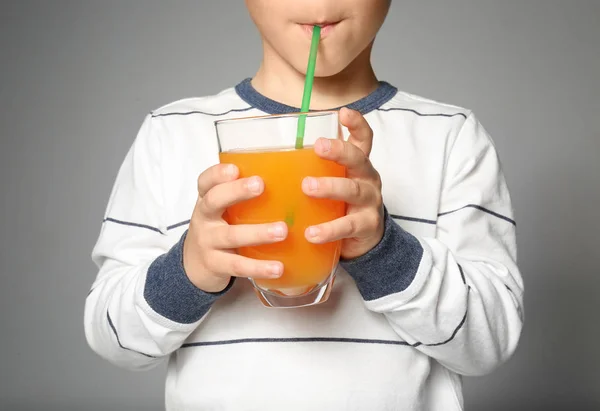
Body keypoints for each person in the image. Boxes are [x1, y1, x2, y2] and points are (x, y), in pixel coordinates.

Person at [84, 0, 524, 409]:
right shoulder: (170, 133)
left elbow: (491, 340)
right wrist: (189, 269)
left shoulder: (450, 136)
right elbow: (113, 339)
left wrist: (383, 248)